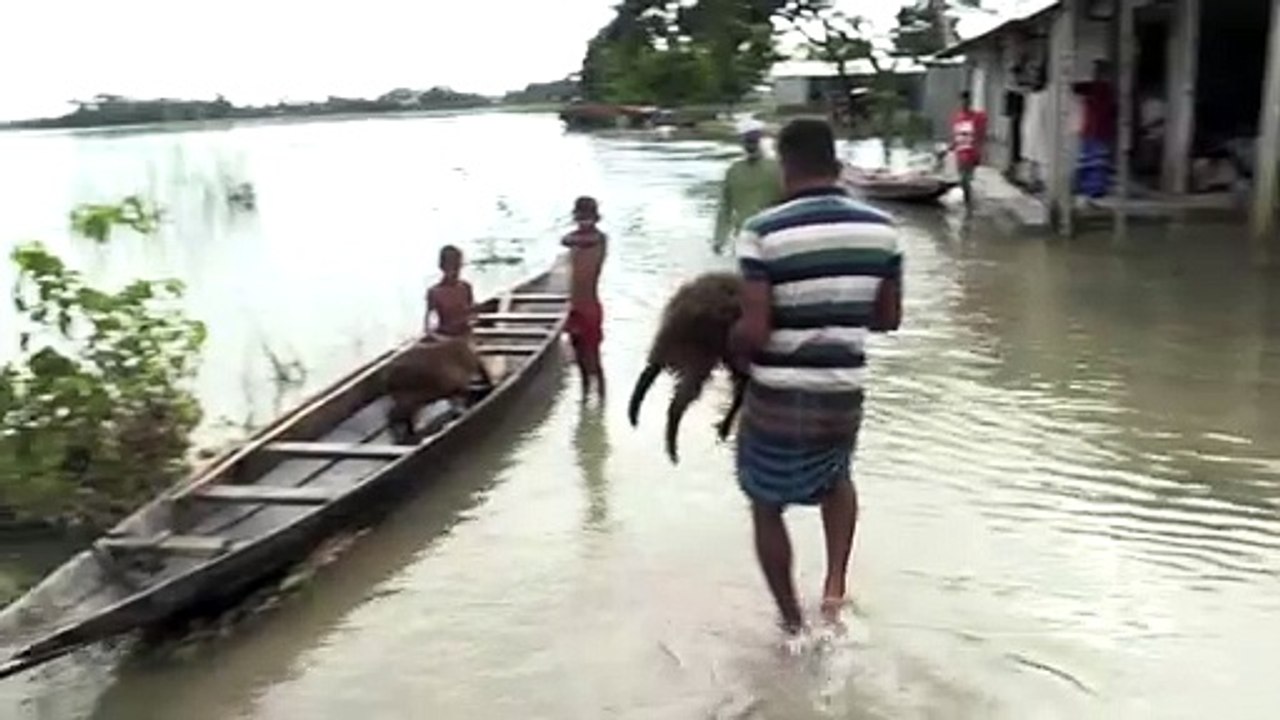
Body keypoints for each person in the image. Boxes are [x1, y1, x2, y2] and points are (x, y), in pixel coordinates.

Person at [730, 118, 902, 634]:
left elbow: (756, 331)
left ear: (786, 165)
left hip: (778, 395)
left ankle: (791, 624)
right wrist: (836, 308)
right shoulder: (882, 229)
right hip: (842, 393)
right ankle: (833, 591)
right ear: (834, 161)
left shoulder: (762, 232)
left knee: (765, 501)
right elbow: (888, 318)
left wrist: (732, 341)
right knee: (837, 477)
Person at [713, 123, 785, 255]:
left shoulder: (777, 168)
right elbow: (725, 209)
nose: (751, 145)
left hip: (767, 235)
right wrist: (719, 239)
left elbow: (787, 201)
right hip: (748, 236)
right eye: (748, 142)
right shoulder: (734, 171)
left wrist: (719, 240)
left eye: (753, 141)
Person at [562, 196, 608, 400]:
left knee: (593, 357)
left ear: (594, 219)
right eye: (581, 217)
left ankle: (601, 398)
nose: (584, 221)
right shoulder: (577, 238)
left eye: (587, 217)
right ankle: (584, 396)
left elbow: (571, 240)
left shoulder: (599, 240)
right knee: (579, 357)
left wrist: (577, 232)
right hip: (575, 308)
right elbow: (565, 240)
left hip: (590, 307)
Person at [1073, 59, 1117, 199]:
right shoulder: (1106, 89)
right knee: (1095, 160)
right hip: (1097, 130)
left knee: (1093, 160)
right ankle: (1092, 188)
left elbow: (1076, 88)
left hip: (1096, 130)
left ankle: (1093, 188)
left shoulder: (1101, 88)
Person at [948, 91, 988, 213]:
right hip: (960, 152)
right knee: (963, 179)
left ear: (969, 102)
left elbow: (981, 135)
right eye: (962, 101)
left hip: (971, 153)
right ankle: (968, 201)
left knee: (965, 179)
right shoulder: (957, 118)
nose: (963, 104)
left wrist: (980, 151)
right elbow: (956, 137)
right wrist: (950, 148)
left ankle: (968, 203)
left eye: (966, 101)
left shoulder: (977, 117)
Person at [425, 245, 475, 339]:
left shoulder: (465, 288)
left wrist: (472, 316)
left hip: (464, 336)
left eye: (458, 266)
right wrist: (437, 337)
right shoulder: (435, 292)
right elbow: (428, 325)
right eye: (452, 266)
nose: (455, 271)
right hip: (443, 337)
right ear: (442, 267)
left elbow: (471, 314)